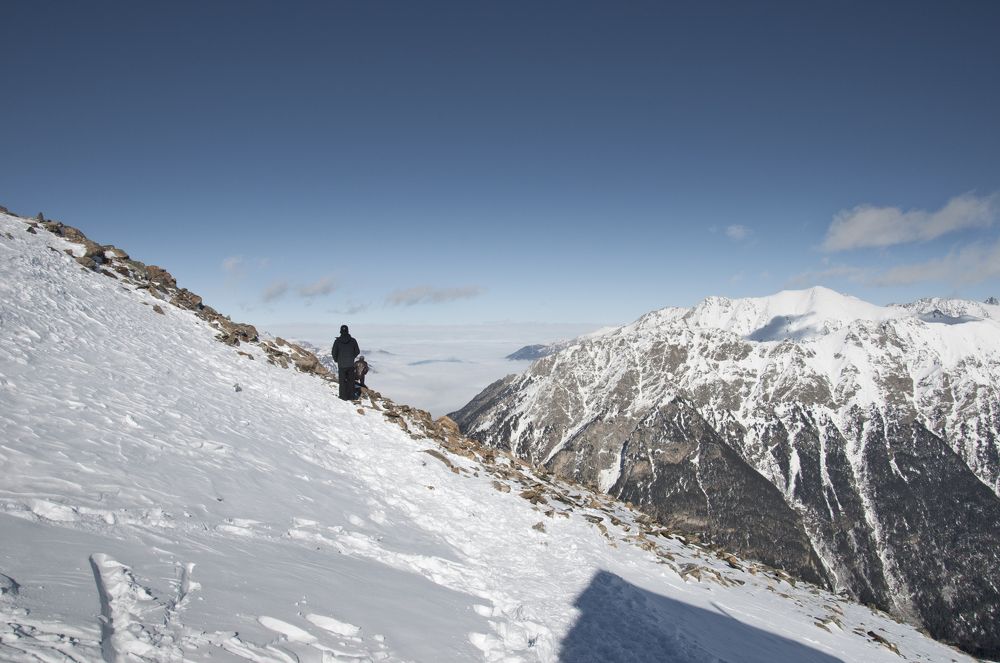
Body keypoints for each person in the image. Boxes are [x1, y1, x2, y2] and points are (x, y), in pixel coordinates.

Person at [331, 324, 360, 400]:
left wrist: (337, 360)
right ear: (348, 331)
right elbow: (357, 351)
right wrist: (352, 357)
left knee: (342, 382)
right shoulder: (353, 340)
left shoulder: (337, 341)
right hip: (350, 364)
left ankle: (343, 396)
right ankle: (351, 396)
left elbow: (334, 352)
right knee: (351, 381)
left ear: (340, 331)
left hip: (341, 365)